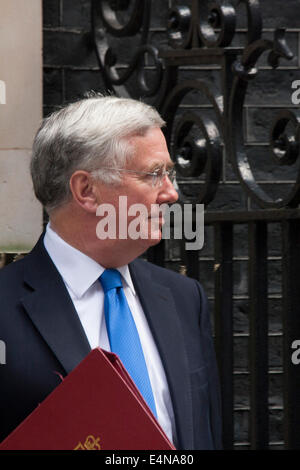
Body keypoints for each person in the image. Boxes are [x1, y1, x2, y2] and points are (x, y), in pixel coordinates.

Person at [0, 96, 222, 450]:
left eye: (170, 173)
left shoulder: (183, 298)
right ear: (86, 190)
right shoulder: (5, 306)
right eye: (153, 175)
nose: (171, 193)